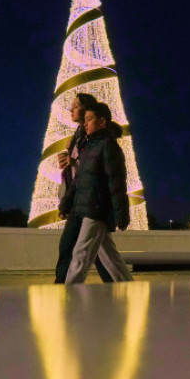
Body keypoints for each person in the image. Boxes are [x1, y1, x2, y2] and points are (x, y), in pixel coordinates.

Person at [64, 102, 132, 284]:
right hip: (89, 207)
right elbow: (79, 181)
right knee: (111, 258)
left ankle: (68, 296)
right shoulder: (89, 148)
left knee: (81, 255)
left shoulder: (109, 146)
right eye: (84, 120)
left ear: (102, 122)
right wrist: (66, 202)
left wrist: (121, 214)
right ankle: (130, 290)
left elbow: (116, 182)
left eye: (89, 119)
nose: (84, 124)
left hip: (98, 210)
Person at [54, 92, 114, 283]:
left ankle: (62, 286)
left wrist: (74, 163)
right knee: (100, 252)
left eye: (76, 105)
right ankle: (116, 286)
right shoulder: (77, 137)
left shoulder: (93, 139)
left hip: (89, 201)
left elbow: (95, 171)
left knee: (72, 247)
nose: (71, 109)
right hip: (79, 198)